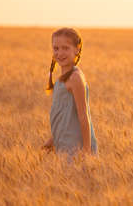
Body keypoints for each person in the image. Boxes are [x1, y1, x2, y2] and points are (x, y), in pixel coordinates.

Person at [41, 27, 98, 162]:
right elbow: (65, 116)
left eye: (65, 48)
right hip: (63, 144)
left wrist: (87, 150)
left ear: (77, 49)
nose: (60, 53)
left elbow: (83, 116)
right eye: (56, 48)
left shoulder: (75, 78)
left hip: (76, 147)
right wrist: (52, 140)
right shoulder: (62, 79)